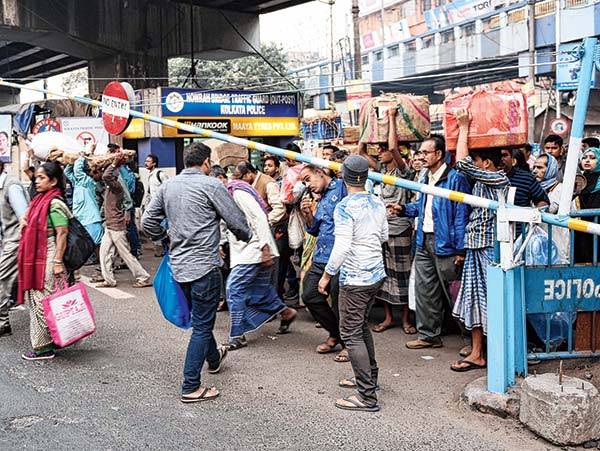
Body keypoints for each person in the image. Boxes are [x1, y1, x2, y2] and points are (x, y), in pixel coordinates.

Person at [142, 142, 252, 403]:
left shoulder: (168, 185)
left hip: (179, 268)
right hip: (205, 266)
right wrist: (245, 234)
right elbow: (236, 220)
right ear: (205, 163)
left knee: (202, 320)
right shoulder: (211, 184)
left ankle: (214, 358)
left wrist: (165, 238)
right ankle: (191, 385)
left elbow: (147, 222)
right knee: (202, 326)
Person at [318, 155, 388, 412]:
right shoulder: (378, 203)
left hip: (355, 278)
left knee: (350, 332)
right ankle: (370, 380)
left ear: (342, 176)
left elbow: (342, 247)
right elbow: (383, 236)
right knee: (360, 327)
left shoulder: (344, 207)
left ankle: (367, 396)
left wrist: (326, 275)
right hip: (375, 274)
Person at [390, 135, 471, 351]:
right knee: (425, 291)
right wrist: (405, 210)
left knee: (455, 293)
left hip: (446, 243)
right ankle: (428, 335)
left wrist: (461, 249)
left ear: (439, 154)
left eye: (426, 153)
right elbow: (424, 206)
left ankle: (471, 340)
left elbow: (462, 215)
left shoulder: (455, 179)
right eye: (421, 153)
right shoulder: (427, 177)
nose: (422, 156)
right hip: (424, 239)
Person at [450, 109, 509, 372]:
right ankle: (477, 353)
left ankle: (495, 354)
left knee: (491, 301)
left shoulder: (498, 178)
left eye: (477, 159)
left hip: (489, 247)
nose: (473, 163)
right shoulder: (483, 180)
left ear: (486, 163)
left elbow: (461, 162)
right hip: (475, 245)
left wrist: (463, 127)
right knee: (474, 300)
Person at [224, 177, 297, 349]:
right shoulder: (224, 197)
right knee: (260, 290)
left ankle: (237, 335)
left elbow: (259, 218)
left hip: (256, 249)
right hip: (246, 251)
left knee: (234, 288)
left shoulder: (238, 193)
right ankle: (286, 312)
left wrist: (265, 248)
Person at [366, 109, 415, 335]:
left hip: (400, 230)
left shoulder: (403, 173)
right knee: (384, 275)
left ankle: (405, 319)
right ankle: (388, 317)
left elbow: (394, 148)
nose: (380, 152)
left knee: (402, 275)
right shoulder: (379, 172)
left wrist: (392, 119)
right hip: (382, 231)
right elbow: (359, 154)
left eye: (383, 150)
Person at [17, 162, 70, 360]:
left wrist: (57, 261)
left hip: (48, 254)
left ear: (54, 181)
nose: (36, 181)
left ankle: (45, 347)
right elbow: (28, 217)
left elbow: (62, 233)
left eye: (41, 178)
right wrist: (25, 219)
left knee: (43, 300)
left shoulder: (55, 203)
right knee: (37, 298)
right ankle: (50, 340)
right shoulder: (39, 200)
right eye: (36, 177)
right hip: (39, 253)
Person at [300, 164, 349, 362]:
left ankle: (347, 343)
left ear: (320, 173)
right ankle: (335, 333)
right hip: (321, 256)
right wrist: (308, 215)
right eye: (303, 182)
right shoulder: (321, 198)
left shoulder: (343, 187)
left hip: (341, 257)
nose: (307, 184)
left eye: (308, 178)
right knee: (309, 295)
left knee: (340, 302)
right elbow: (315, 229)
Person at [234, 161, 289, 298]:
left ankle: (275, 301)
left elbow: (279, 209)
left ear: (249, 174)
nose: (239, 181)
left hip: (274, 228)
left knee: (275, 269)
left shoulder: (268, 183)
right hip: (259, 230)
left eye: (241, 178)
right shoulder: (246, 186)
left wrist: (264, 221)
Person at [96, 153, 151, 288]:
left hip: (116, 226)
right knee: (104, 254)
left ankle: (143, 276)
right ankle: (109, 280)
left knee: (125, 254)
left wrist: (114, 164)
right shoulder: (110, 187)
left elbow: (106, 176)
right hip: (110, 225)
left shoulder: (117, 187)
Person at [0, 160, 29, 337]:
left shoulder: (11, 186)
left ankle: (2, 323)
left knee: (1, 279)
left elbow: (24, 218)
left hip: (15, 241)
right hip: (7, 241)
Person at [532, 153, 570, 261]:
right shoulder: (535, 188)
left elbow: (549, 209)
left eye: (540, 168)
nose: (535, 171)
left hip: (558, 239)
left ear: (551, 169)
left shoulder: (561, 189)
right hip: (539, 241)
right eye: (534, 167)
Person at [64, 156, 104, 251]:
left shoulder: (89, 182)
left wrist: (81, 156)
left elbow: (77, 171)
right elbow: (67, 172)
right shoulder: (78, 183)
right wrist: (71, 161)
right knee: (90, 245)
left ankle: (104, 265)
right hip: (82, 219)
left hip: (91, 219)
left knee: (97, 245)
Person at [573, 147, 600, 263]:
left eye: (592, 158)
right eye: (584, 157)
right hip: (580, 227)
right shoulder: (578, 180)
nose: (587, 161)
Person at [143, 154, 168, 257]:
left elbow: (167, 188)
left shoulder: (160, 174)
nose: (146, 163)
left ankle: (164, 248)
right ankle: (161, 247)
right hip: (154, 206)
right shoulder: (151, 175)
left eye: (148, 161)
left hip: (162, 206)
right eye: (146, 161)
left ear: (154, 163)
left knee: (163, 226)